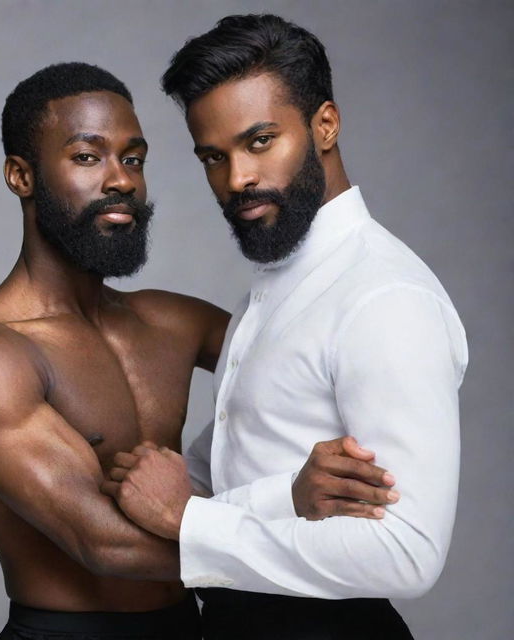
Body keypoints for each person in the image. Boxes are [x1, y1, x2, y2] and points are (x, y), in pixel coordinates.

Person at [0, 62, 395, 640]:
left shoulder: (174, 322)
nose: (121, 180)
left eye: (134, 158)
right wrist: (295, 509)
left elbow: (315, 366)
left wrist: (393, 305)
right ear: (21, 176)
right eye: (88, 157)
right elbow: (103, 544)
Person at [103, 14, 468, 640]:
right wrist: (143, 481)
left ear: (324, 125)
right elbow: (251, 470)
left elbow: (408, 552)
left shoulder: (383, 298)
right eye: (213, 157)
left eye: (260, 141)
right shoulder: (279, 282)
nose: (237, 178)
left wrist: (189, 521)